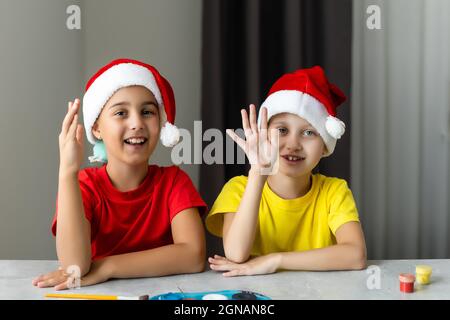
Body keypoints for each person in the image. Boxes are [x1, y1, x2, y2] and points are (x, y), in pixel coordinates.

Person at [32, 58, 207, 290]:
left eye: (147, 112)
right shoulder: (85, 185)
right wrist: (67, 172)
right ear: (97, 128)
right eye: (121, 113)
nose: (136, 123)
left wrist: (107, 267)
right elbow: (75, 267)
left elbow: (193, 256)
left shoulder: (174, 182)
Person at [206, 66, 367, 276]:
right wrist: (258, 173)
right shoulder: (238, 189)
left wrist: (276, 260)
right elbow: (236, 254)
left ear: (325, 145)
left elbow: (356, 255)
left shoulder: (334, 192)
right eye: (282, 130)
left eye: (309, 132)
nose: (293, 144)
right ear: (264, 134)